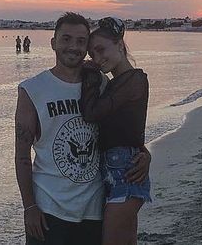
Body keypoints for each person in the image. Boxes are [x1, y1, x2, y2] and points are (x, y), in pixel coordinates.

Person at [15, 12, 151, 245]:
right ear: (53, 43)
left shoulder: (102, 84)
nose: (73, 47)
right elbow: (22, 156)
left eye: (81, 41)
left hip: (94, 208)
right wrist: (29, 207)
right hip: (49, 208)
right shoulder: (32, 90)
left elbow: (123, 129)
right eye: (66, 39)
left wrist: (144, 154)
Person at [80, 17, 151, 245]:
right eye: (92, 55)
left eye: (101, 50)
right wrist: (146, 153)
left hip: (125, 176)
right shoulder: (114, 84)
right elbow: (128, 129)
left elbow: (91, 113)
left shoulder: (134, 80)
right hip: (119, 174)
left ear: (120, 45)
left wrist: (89, 74)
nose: (97, 59)